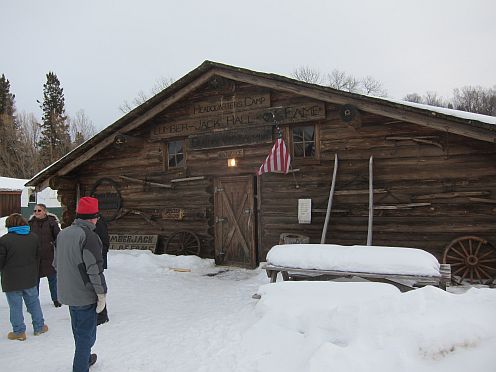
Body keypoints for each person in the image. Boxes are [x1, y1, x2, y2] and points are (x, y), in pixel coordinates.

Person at [55, 197, 107, 371]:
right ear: (93, 217)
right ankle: (80, 366)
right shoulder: (89, 236)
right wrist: (102, 294)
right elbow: (94, 269)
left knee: (79, 331)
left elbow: (56, 264)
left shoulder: (63, 233)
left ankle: (84, 357)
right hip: (84, 294)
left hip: (67, 293)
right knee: (86, 335)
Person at [0, 213, 48, 341]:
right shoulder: (33, 238)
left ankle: (19, 331)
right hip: (30, 277)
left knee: (15, 306)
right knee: (33, 303)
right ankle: (39, 326)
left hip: (11, 280)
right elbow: (38, 256)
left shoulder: (4, 240)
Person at [29, 203, 61, 307]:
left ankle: (56, 299)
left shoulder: (52, 223)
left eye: (39, 210)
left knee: (52, 279)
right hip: (35, 256)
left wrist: (54, 246)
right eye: (35, 211)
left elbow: (58, 237)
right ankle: (34, 301)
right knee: (34, 281)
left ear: (44, 211)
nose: (36, 213)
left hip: (49, 255)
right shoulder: (30, 223)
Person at [94, 215, 110, 325]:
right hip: (90, 260)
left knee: (97, 287)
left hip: (96, 261)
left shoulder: (98, 224)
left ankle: (102, 315)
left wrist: (99, 258)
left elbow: (105, 242)